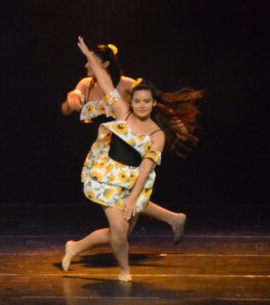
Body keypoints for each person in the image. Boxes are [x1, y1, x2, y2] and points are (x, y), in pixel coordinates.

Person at [63, 37, 202, 281]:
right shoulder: (117, 107)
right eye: (136, 101)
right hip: (107, 168)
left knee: (121, 235)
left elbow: (147, 167)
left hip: (131, 173)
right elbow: (103, 85)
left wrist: (133, 198)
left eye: (145, 101)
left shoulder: (154, 130)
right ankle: (125, 270)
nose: (140, 104)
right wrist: (86, 58)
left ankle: (74, 247)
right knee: (118, 231)